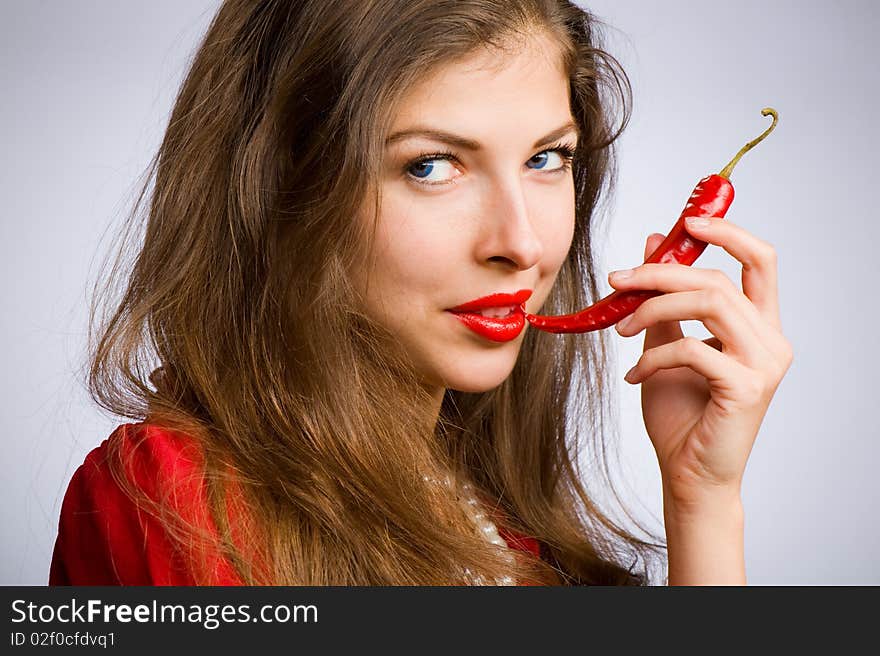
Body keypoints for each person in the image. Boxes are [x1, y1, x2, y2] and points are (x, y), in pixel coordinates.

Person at [49, 0, 792, 586]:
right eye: (431, 166)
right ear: (283, 188)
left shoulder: (497, 515)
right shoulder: (174, 497)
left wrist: (703, 502)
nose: (522, 243)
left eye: (546, 158)